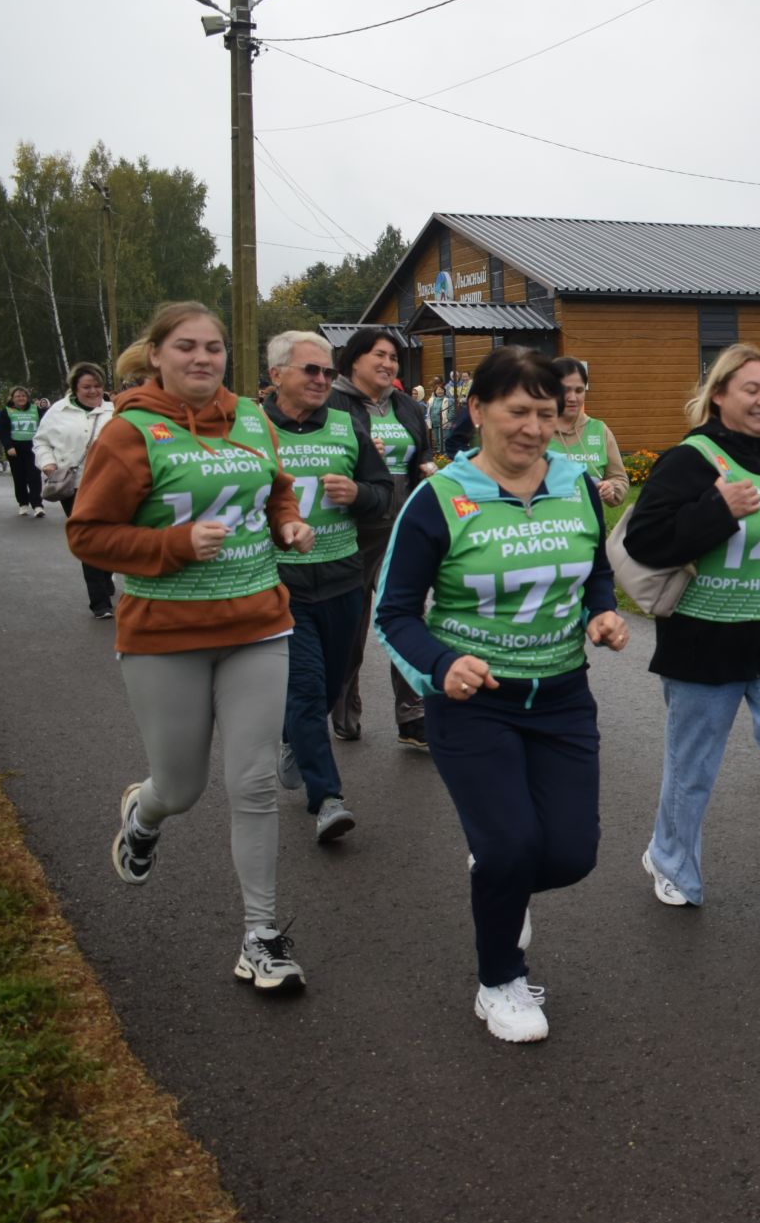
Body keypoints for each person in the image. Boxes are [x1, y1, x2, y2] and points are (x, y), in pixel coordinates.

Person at [375, 345, 628, 1042]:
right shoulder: (438, 499)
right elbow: (393, 610)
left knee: (574, 852)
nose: (535, 426)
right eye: (518, 410)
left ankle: (499, 873)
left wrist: (600, 612)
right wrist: (440, 664)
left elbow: (595, 572)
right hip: (474, 700)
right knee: (512, 843)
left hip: (562, 695)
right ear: (478, 410)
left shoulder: (575, 483)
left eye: (547, 412)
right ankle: (500, 982)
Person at [65, 300, 316, 994]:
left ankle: (261, 937)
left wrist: (289, 526)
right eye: (186, 347)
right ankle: (143, 815)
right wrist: (173, 544)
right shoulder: (130, 431)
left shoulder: (249, 418)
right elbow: (87, 534)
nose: (203, 359)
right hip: (164, 634)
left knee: (256, 782)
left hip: (258, 624)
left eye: (213, 348)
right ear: (156, 355)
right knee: (182, 786)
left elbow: (278, 494)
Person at [621, 343, 760, 928]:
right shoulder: (690, 459)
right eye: (750, 389)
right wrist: (716, 509)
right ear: (719, 394)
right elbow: (644, 543)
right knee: (692, 767)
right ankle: (670, 862)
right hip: (704, 637)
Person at [262, 332, 393, 843]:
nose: (322, 380)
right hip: (279, 583)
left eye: (325, 371)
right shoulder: (250, 429)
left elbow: (383, 493)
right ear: (276, 376)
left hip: (342, 577)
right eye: (309, 371)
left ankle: (296, 736)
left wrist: (357, 492)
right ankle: (328, 797)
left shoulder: (346, 425)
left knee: (336, 679)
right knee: (307, 683)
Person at [329, 329, 432, 747]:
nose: (389, 364)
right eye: (380, 355)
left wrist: (425, 465)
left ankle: (412, 714)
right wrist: (356, 452)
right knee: (351, 625)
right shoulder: (332, 403)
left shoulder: (407, 405)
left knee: (405, 616)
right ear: (354, 359)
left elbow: (421, 448)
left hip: (402, 525)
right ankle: (343, 707)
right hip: (351, 528)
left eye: (394, 358)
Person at [34, 363, 119, 617]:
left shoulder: (113, 412)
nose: (93, 391)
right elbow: (41, 442)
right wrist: (47, 464)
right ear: (74, 388)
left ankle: (105, 575)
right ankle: (100, 602)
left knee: (109, 538)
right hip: (74, 485)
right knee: (89, 539)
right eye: (86, 387)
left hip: (111, 485)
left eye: (97, 386)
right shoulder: (57, 411)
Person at [545, 358, 630, 507]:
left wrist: (611, 488)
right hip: (549, 525)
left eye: (579, 390)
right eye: (565, 390)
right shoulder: (536, 431)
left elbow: (619, 479)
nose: (573, 398)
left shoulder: (599, 430)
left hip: (590, 527)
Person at [1, 385, 46, 516]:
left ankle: (37, 505)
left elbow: (45, 426)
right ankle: (23, 503)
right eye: (18, 396)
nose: (21, 398)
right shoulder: (7, 411)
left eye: (23, 396)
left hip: (33, 448)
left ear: (27, 397)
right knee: (19, 477)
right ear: (12, 398)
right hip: (15, 449)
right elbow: (3, 431)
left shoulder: (35, 409)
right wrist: (8, 446)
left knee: (34, 476)